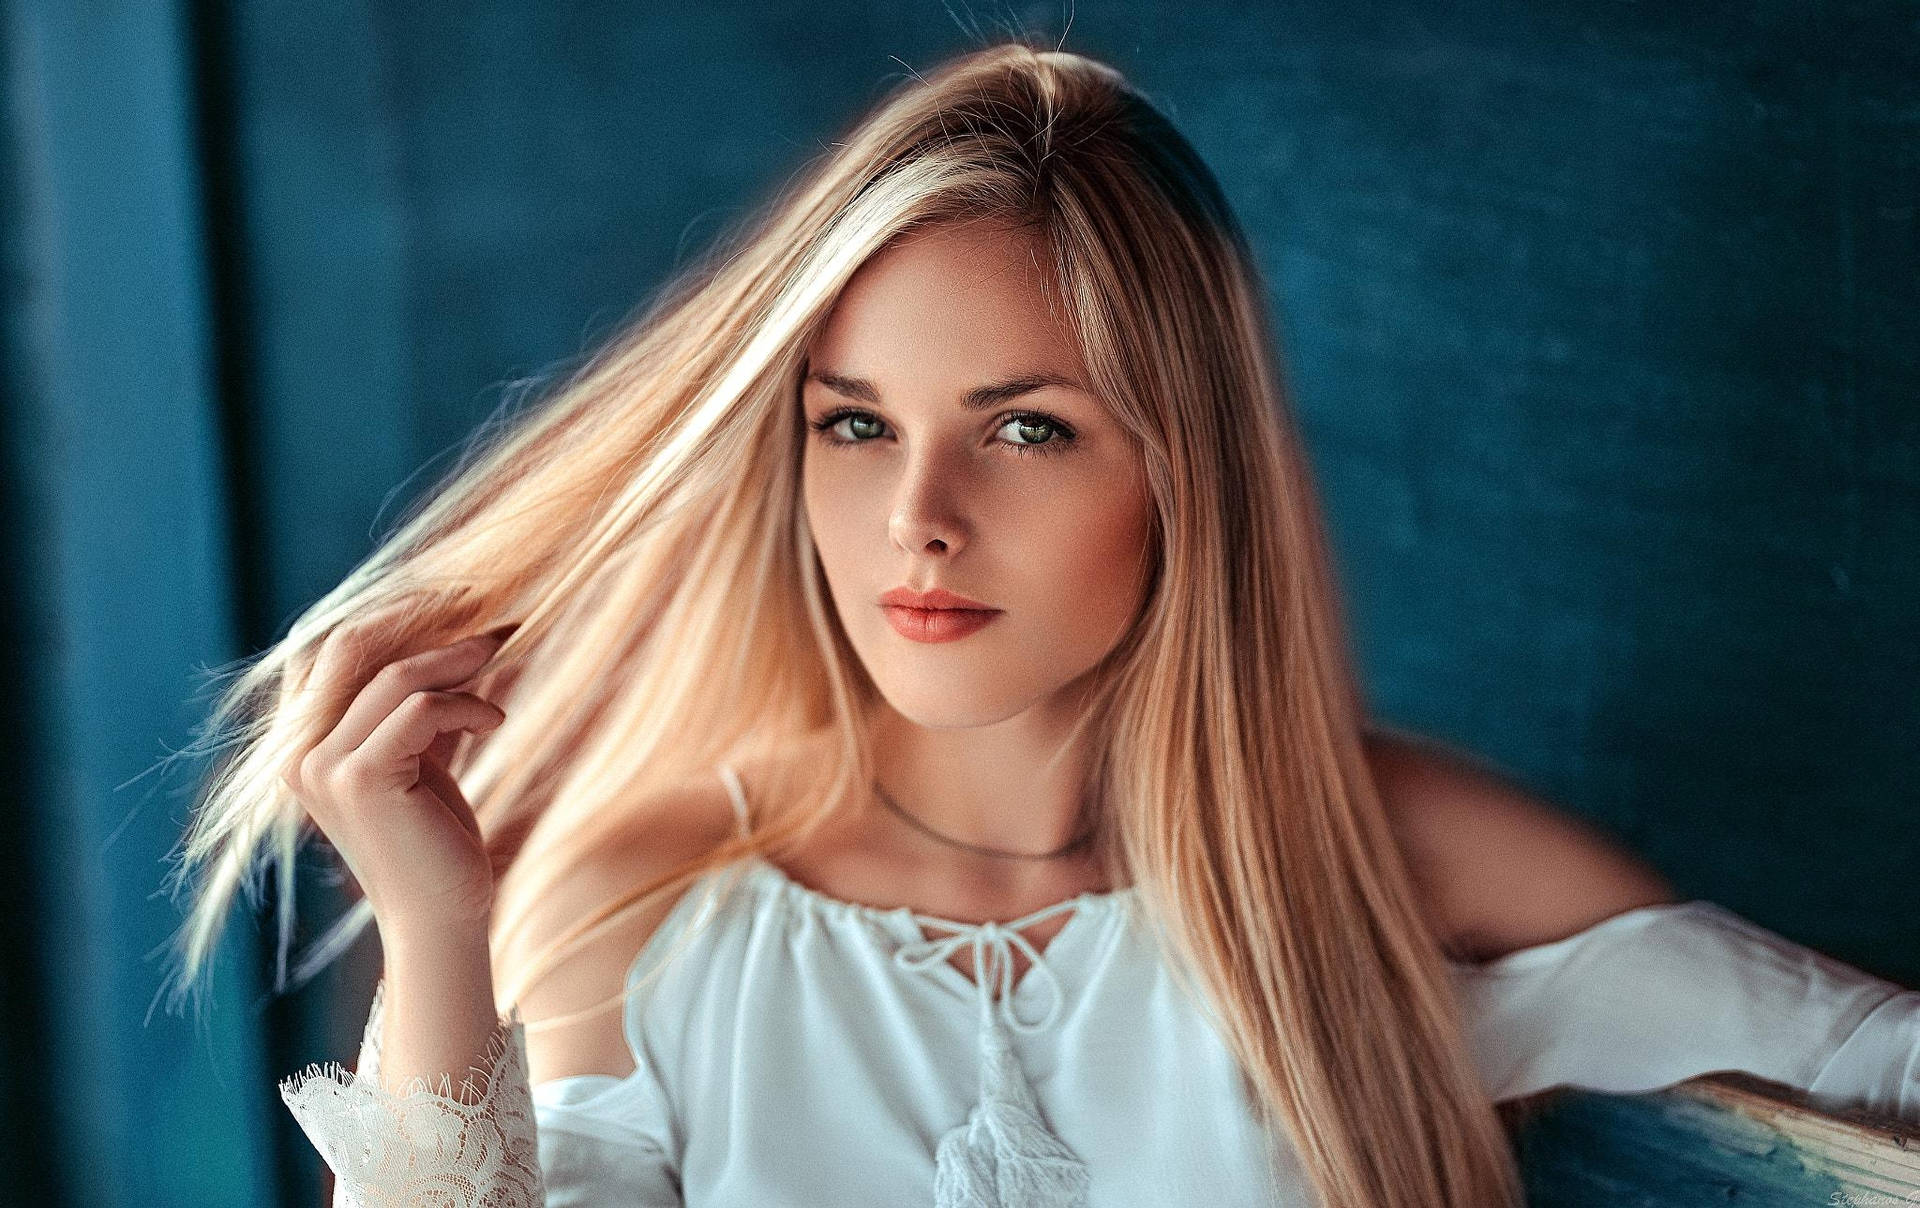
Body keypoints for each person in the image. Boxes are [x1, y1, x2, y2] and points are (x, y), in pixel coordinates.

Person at [158, 40, 1919, 1208]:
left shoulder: (1377, 859)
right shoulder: (646, 890)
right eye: (855, 424)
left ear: (1182, 468)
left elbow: (1870, 1074)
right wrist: (438, 922)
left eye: (1025, 429)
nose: (918, 517)